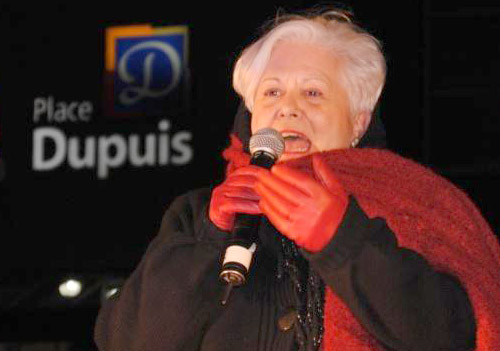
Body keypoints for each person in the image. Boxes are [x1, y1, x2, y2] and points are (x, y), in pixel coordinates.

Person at [94, 8, 500, 351]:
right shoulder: (197, 215)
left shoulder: (415, 202)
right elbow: (126, 341)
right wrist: (210, 240)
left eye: (312, 93)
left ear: (358, 122)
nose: (287, 109)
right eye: (271, 93)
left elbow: (460, 335)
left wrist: (344, 241)